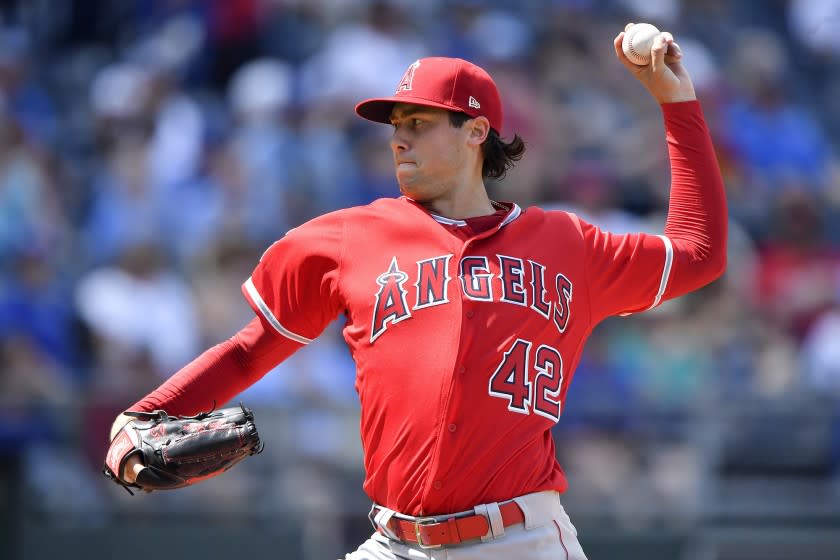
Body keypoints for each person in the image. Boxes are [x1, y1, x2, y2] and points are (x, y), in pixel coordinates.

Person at [106, 24, 727, 560]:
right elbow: (251, 349)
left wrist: (677, 103)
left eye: (420, 122)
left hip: (519, 542)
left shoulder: (566, 243)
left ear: (475, 131)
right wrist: (148, 412)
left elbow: (699, 253)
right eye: (396, 124)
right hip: (396, 542)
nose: (398, 137)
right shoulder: (349, 238)